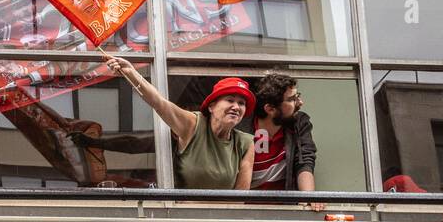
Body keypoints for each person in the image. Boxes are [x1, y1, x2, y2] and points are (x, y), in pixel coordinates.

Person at [103, 57, 253, 190]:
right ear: (211, 106)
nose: (236, 107)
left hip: (222, 219)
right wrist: (132, 72)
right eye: (230, 100)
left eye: (241, 103)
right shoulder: (193, 124)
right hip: (183, 216)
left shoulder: (245, 142)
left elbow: (240, 198)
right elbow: (159, 102)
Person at [250, 73, 320, 200]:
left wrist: (309, 198)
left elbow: (304, 161)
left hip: (283, 211)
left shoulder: (299, 123)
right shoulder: (244, 128)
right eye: (291, 99)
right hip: (244, 211)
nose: (300, 102)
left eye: (297, 96)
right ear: (270, 109)